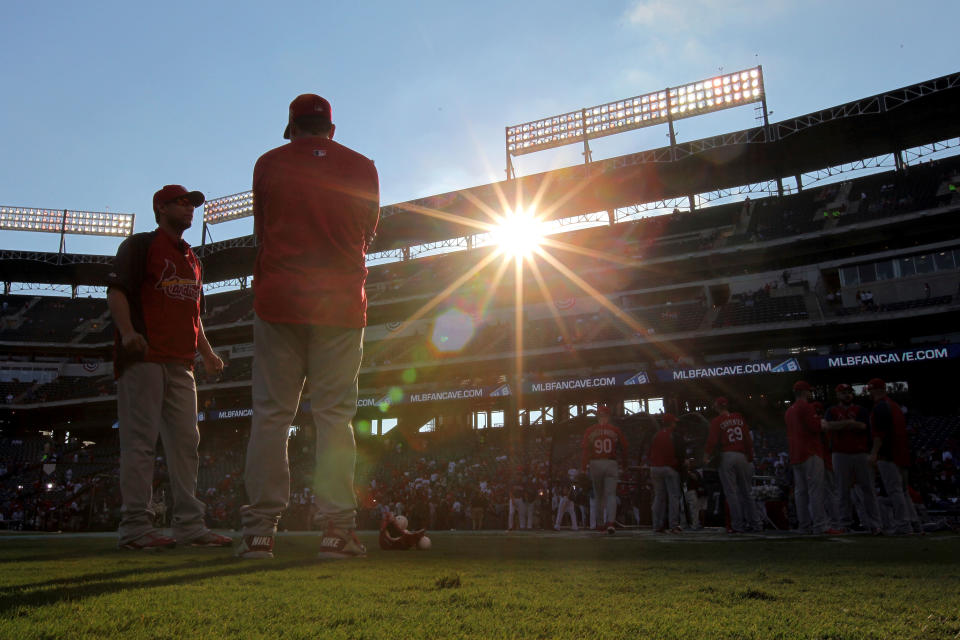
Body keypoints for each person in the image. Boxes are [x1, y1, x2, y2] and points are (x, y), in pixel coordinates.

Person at [238, 94, 380, 559]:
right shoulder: (363, 167)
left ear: (293, 127)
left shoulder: (268, 163)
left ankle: (259, 532)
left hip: (280, 298)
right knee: (334, 416)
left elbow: (263, 231)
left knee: (272, 416)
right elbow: (368, 233)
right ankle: (337, 532)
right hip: (339, 303)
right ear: (331, 129)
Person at [107, 184, 229, 550]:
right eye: (182, 203)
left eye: (192, 204)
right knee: (140, 445)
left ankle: (190, 525)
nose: (190, 208)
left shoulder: (193, 258)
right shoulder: (140, 246)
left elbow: (194, 314)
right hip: (144, 358)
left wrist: (206, 353)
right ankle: (135, 529)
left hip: (181, 365)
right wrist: (127, 332)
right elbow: (116, 292)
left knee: (186, 446)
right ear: (161, 207)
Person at [785, 381, 841, 535]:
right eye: (809, 391)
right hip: (810, 452)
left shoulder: (789, 410)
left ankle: (804, 525)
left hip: (796, 454)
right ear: (805, 392)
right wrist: (822, 422)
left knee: (800, 492)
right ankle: (820, 525)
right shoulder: (806, 407)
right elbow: (816, 426)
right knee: (815, 491)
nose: (811, 393)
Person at [825, 383, 882, 534]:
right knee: (842, 490)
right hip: (839, 453)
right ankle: (845, 523)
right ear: (838, 395)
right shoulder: (831, 410)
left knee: (868, 489)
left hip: (860, 452)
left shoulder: (861, 409)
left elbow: (864, 427)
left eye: (849, 392)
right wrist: (850, 423)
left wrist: (842, 425)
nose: (847, 395)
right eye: (843, 392)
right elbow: (827, 426)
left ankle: (874, 523)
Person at [867, 378, 921, 535]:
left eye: (870, 390)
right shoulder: (894, 405)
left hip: (889, 454)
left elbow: (879, 435)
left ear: (875, 390)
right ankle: (913, 522)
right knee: (903, 491)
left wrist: (874, 453)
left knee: (895, 490)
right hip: (902, 453)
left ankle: (903, 524)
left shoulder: (880, 407)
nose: (869, 393)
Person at [704, 397, 763, 533]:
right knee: (747, 492)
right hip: (742, 455)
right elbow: (748, 439)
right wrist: (750, 456)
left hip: (727, 455)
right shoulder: (739, 417)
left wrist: (706, 456)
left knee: (732, 493)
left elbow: (712, 441)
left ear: (717, 407)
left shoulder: (717, 421)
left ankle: (738, 525)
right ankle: (756, 523)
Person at [580, 405, 628, 534]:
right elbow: (624, 447)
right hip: (611, 462)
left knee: (598, 495)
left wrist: (583, 468)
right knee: (611, 494)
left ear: (597, 416)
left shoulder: (590, 430)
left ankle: (600, 524)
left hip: (595, 462)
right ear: (608, 416)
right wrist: (625, 464)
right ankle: (610, 523)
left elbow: (585, 450)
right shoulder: (614, 430)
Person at [649, 413, 683, 533]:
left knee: (659, 497)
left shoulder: (656, 435)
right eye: (674, 422)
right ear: (671, 423)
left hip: (655, 468)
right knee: (673, 496)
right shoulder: (673, 435)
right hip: (669, 468)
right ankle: (674, 525)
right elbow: (679, 453)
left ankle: (657, 525)